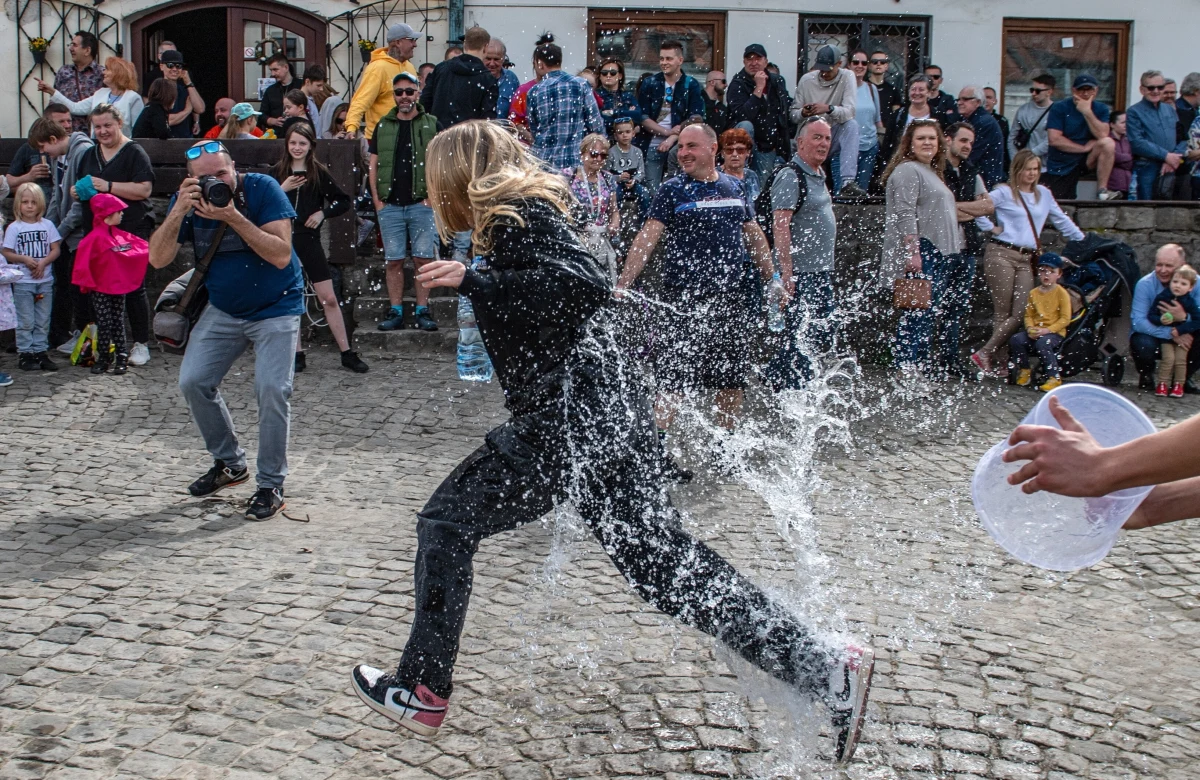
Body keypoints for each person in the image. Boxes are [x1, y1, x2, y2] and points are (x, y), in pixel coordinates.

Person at [349, 122, 874, 764]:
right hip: (601, 414)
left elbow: (583, 289)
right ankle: (822, 667)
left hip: (567, 420)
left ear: (458, 175)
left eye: (438, 181)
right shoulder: (522, 217)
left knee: (447, 521)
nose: (435, 195)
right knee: (661, 567)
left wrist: (476, 283)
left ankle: (422, 686)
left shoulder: (520, 217)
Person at [149, 139, 306, 521]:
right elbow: (157, 258)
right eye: (205, 179)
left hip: (277, 306)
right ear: (191, 181)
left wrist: (233, 216)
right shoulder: (188, 202)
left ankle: (271, 485)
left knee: (272, 389)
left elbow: (281, 254)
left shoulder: (261, 189)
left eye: (222, 173)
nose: (216, 182)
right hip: (224, 308)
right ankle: (230, 464)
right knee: (193, 381)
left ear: (234, 167)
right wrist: (178, 211)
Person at [617, 124, 776, 472]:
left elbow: (753, 234)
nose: (683, 153)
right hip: (683, 301)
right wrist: (624, 283)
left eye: (691, 146)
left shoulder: (734, 186)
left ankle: (725, 449)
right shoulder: (673, 189)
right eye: (681, 147)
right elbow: (648, 236)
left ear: (712, 148)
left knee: (731, 380)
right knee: (673, 379)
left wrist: (773, 279)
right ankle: (654, 453)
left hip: (729, 299)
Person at [970, 149, 1084, 376]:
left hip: (1026, 257)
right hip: (1001, 252)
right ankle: (1001, 362)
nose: (1032, 174)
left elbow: (1061, 219)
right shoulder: (1004, 192)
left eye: (1035, 169)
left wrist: (1083, 240)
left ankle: (985, 352)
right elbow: (979, 208)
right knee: (1003, 311)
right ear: (1017, 170)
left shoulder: (1043, 194)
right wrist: (990, 227)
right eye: (1027, 169)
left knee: (1021, 310)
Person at [271, 122, 368, 374]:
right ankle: (297, 352)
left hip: (308, 239)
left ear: (310, 146)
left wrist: (322, 213)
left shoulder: (318, 172)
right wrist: (282, 189)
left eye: (302, 143)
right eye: (293, 143)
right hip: (283, 241)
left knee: (328, 297)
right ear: (287, 144)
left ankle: (346, 352)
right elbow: (263, 204)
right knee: (290, 297)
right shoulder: (277, 172)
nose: (297, 147)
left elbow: (342, 201)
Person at [68, 104, 156, 367]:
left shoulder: (134, 152)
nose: (102, 131)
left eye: (107, 125)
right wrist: (77, 192)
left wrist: (108, 186)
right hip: (98, 233)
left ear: (119, 123)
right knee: (98, 287)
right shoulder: (89, 154)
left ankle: (140, 343)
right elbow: (84, 187)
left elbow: (144, 190)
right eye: (97, 127)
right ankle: (102, 344)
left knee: (133, 286)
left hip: (130, 228)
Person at [881, 119, 963, 379]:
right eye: (921, 138)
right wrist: (912, 252)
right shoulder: (908, 170)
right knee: (916, 314)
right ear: (910, 143)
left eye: (932, 138)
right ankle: (906, 370)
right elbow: (905, 213)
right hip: (923, 250)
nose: (927, 142)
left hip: (938, 252)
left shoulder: (931, 171)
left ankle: (918, 370)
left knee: (926, 315)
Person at [765, 117, 835, 389]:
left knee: (817, 331)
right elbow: (780, 225)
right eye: (817, 137)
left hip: (819, 271)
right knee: (801, 333)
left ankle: (777, 375)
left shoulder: (818, 173)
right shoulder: (790, 175)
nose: (823, 143)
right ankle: (794, 386)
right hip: (801, 273)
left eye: (827, 138)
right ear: (801, 142)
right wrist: (787, 273)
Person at [368, 72, 440, 332]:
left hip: (422, 204)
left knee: (423, 260)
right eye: (399, 92)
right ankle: (396, 310)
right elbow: (373, 165)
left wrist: (432, 198)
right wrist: (377, 200)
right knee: (394, 261)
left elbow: (441, 163)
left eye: (409, 91)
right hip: (390, 205)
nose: (404, 96)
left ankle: (422, 310)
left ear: (418, 92)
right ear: (394, 95)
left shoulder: (432, 123)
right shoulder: (383, 125)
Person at [29, 116, 93, 350]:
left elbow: (80, 203)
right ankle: (70, 333)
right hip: (65, 234)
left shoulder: (82, 151)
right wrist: (47, 229)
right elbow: (57, 197)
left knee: (81, 290)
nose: (43, 153)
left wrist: (60, 231)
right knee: (65, 284)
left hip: (80, 234)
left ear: (53, 139)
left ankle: (87, 338)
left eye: (43, 146)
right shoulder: (58, 158)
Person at [70, 193, 149, 375]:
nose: (122, 214)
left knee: (117, 321)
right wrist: (86, 283)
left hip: (117, 286)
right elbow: (83, 263)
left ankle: (120, 355)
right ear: (107, 213)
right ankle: (105, 356)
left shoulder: (118, 236)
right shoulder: (95, 238)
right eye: (118, 211)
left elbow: (141, 248)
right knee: (105, 322)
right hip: (100, 288)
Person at [941, 122, 993, 376]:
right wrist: (967, 208)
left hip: (967, 248)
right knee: (933, 307)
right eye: (963, 141)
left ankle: (950, 359)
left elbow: (987, 207)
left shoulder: (971, 171)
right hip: (941, 247)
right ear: (948, 139)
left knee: (957, 308)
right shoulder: (937, 170)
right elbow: (940, 210)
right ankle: (928, 362)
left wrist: (957, 208)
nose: (968, 146)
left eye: (971, 142)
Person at [2, 183, 61, 371]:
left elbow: (55, 249)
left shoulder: (47, 225)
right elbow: (7, 252)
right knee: (25, 320)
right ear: (18, 204)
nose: (29, 206)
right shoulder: (14, 228)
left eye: (33, 202)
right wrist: (24, 259)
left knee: (43, 319)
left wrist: (43, 263)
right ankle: (25, 353)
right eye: (25, 202)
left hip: (44, 281)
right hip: (23, 282)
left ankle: (41, 351)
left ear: (40, 204)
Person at [793, 46, 863, 197]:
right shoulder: (807, 80)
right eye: (821, 69)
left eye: (828, 70)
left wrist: (828, 108)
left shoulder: (847, 76)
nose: (824, 73)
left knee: (852, 126)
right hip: (810, 133)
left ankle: (847, 182)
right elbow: (793, 115)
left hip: (833, 133)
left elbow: (849, 113)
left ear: (839, 64)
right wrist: (804, 112)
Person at [637, 40, 707, 191]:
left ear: (680, 60)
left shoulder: (691, 84)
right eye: (661, 58)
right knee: (653, 191)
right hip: (651, 143)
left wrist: (672, 138)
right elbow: (642, 117)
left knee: (680, 188)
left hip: (681, 145)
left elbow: (696, 118)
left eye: (668, 58)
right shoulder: (650, 83)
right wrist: (667, 132)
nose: (664, 62)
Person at [1129, 244, 1200, 390]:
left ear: (1182, 265)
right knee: (1140, 341)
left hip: (1188, 334)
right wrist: (1171, 333)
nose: (1162, 270)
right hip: (1156, 334)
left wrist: (1184, 318)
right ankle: (1146, 375)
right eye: (1159, 265)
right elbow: (1138, 322)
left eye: (1169, 266)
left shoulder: (1197, 283)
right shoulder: (1145, 284)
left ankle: (1182, 378)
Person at [527, 39, 604, 169]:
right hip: (574, 160)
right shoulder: (580, 84)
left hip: (544, 162)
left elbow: (534, 128)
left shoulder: (534, 91)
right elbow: (595, 123)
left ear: (540, 63)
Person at [1042, 74, 1116, 200]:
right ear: (1074, 90)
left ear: (1096, 90)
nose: (1086, 94)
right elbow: (1054, 139)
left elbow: (1103, 135)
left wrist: (1087, 112)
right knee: (1061, 202)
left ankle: (1102, 190)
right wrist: (1083, 148)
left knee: (1108, 143)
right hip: (1063, 161)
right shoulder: (1060, 107)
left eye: (1089, 90)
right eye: (1082, 90)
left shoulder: (1101, 108)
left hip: (1087, 159)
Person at [725, 43, 789, 182]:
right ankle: (743, 162)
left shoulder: (777, 81)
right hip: (743, 143)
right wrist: (759, 88)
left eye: (758, 59)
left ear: (766, 61)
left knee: (762, 188)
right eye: (749, 59)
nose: (753, 63)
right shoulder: (737, 83)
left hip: (767, 144)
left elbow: (782, 113)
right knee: (746, 125)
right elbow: (743, 115)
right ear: (744, 62)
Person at [344, 23, 420, 139]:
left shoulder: (410, 67)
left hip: (407, 136)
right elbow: (361, 100)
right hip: (380, 139)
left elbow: (416, 101)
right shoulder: (377, 68)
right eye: (411, 40)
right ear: (398, 42)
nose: (415, 44)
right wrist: (351, 128)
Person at [1009, 253, 1072, 392]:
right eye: (1043, 271)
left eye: (1051, 272)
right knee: (1016, 340)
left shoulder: (1061, 293)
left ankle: (1054, 377)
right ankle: (1025, 369)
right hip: (1037, 330)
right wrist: (1030, 328)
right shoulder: (1034, 293)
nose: (1046, 275)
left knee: (1043, 343)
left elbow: (1065, 318)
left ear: (1059, 274)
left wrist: (1048, 330)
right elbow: (1029, 315)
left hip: (1054, 332)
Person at [563, 134, 620, 281]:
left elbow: (614, 210)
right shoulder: (569, 176)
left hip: (600, 237)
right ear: (582, 155)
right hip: (576, 238)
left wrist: (614, 223)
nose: (598, 159)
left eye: (603, 155)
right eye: (594, 154)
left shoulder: (608, 178)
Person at [40, 56, 142, 137]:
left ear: (118, 73)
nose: (103, 72)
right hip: (98, 146)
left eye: (107, 69)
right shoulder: (100, 93)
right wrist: (52, 92)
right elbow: (75, 108)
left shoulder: (133, 98)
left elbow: (138, 131)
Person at [876, 76, 954, 180]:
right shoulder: (898, 115)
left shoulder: (939, 115)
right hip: (901, 164)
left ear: (929, 93)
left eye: (921, 90)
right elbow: (888, 144)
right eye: (913, 89)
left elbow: (942, 142)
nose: (917, 93)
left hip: (930, 165)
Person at [420, 26, 497, 131]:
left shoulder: (441, 69)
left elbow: (424, 103)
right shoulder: (488, 79)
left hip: (440, 134)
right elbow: (488, 120)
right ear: (486, 47)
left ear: (464, 44)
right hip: (470, 137)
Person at [1127, 70, 1187, 201]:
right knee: (1146, 207)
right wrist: (1166, 156)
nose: (1156, 91)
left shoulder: (1170, 109)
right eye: (1151, 88)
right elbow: (1137, 142)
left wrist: (1174, 158)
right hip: (1146, 168)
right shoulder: (1134, 112)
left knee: (1169, 209)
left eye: (1160, 87)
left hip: (1171, 167)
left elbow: (1182, 138)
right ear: (1142, 89)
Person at [1145, 264, 1200, 397]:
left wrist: (1181, 329)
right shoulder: (1162, 297)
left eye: (1183, 284)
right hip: (1166, 337)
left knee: (1181, 361)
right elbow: (1151, 315)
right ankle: (1162, 384)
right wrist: (1160, 320)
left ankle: (1178, 385)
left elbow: (1197, 321)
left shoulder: (1190, 302)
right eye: (1175, 282)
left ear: (1190, 287)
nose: (1178, 286)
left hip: (1184, 336)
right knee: (1168, 359)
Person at [6, 104, 71, 203]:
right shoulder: (28, 148)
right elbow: (8, 181)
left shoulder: (72, 148)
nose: (67, 126)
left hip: (60, 201)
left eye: (69, 121)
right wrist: (29, 176)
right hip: (35, 203)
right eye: (61, 122)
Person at [607, 117, 647, 250]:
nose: (624, 135)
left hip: (633, 182)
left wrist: (635, 180)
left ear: (633, 133)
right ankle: (615, 229)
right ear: (615, 135)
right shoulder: (611, 152)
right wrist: (618, 178)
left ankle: (643, 226)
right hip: (617, 184)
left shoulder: (637, 152)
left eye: (628, 132)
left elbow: (641, 172)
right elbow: (606, 174)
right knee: (615, 197)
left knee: (645, 194)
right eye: (620, 132)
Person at [954, 86, 1005, 188]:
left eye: (965, 99)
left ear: (978, 102)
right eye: (958, 99)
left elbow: (970, 155)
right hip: (978, 178)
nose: (959, 102)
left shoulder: (984, 123)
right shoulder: (971, 119)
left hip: (984, 181)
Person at [54, 31, 104, 133]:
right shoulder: (64, 72)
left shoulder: (102, 74)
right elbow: (54, 102)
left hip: (93, 134)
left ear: (87, 50)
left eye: (75, 45)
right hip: (64, 133)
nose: (71, 48)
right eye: (71, 45)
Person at [847, 51, 883, 192]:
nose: (860, 66)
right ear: (849, 65)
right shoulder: (843, 88)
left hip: (869, 147)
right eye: (856, 62)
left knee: (862, 191)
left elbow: (877, 120)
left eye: (864, 63)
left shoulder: (871, 88)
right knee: (844, 190)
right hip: (848, 147)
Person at [156, 49, 204, 139]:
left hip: (185, 139)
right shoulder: (157, 89)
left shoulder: (185, 89)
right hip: (164, 141)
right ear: (161, 66)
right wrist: (187, 111)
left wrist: (188, 82)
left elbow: (200, 109)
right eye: (170, 65)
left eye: (178, 66)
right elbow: (164, 121)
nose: (174, 69)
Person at [1009, 74, 1056, 167]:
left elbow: (1050, 140)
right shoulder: (1023, 110)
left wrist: (1028, 156)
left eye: (1038, 91)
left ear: (1049, 92)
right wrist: (1016, 160)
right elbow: (1012, 137)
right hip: (1023, 165)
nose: (1033, 93)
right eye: (1032, 90)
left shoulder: (1056, 111)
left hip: (1046, 166)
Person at [595, 59, 643, 137]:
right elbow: (599, 120)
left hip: (626, 141)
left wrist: (613, 113)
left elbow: (638, 115)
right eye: (604, 73)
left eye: (613, 73)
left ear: (620, 76)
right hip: (604, 139)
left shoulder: (628, 95)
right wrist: (627, 118)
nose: (608, 75)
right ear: (600, 76)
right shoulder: (595, 96)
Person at [718, 126, 760, 203]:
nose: (734, 154)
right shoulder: (715, 176)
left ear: (748, 152)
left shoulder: (752, 175)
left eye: (740, 150)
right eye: (729, 150)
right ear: (722, 153)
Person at [259, 54, 297, 132]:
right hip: (276, 134)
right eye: (271, 70)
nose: (272, 74)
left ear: (286, 67)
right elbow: (261, 115)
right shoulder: (270, 90)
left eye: (275, 70)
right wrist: (271, 120)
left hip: (297, 131)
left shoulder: (300, 86)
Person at [484, 39, 520, 120]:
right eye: (488, 59)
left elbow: (516, 111)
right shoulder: (475, 78)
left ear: (503, 59)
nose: (492, 64)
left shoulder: (511, 79)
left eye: (496, 59)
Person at [983, 86, 1011, 171]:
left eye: (989, 97)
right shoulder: (972, 119)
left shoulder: (1002, 121)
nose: (986, 100)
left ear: (995, 101)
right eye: (983, 97)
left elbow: (1005, 146)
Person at [866, 50, 902, 116]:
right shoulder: (863, 87)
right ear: (869, 65)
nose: (878, 64)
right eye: (874, 62)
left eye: (882, 62)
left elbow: (896, 115)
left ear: (886, 66)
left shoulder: (893, 91)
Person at [1107, 111, 1133, 198]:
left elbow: (1131, 162)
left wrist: (1121, 159)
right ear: (1112, 125)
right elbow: (1113, 157)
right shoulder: (1108, 140)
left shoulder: (1127, 141)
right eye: (1122, 123)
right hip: (1112, 186)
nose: (1126, 125)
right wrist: (1128, 157)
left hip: (1128, 186)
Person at [702, 70, 728, 136]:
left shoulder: (722, 107)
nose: (726, 85)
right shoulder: (698, 101)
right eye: (723, 81)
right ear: (712, 82)